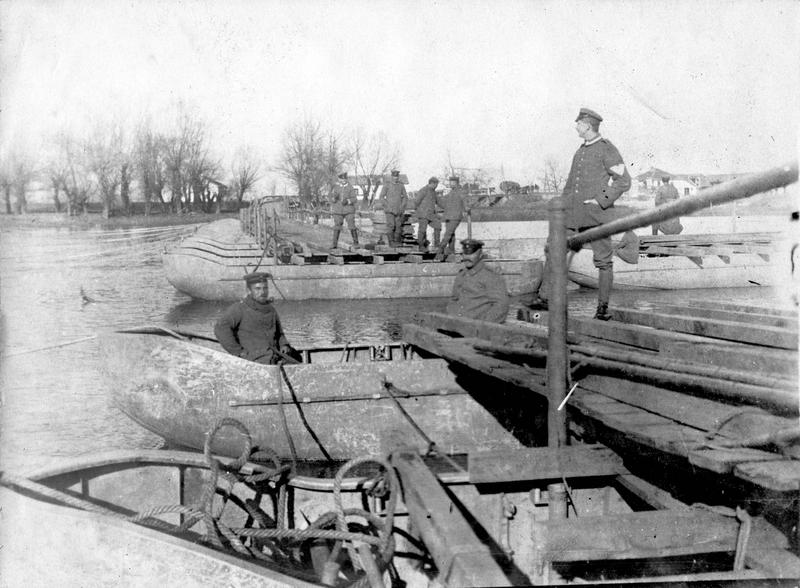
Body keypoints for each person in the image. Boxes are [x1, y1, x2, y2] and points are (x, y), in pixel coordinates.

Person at [528, 107, 631, 320]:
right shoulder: (581, 150)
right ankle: (546, 298)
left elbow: (623, 181)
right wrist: (562, 206)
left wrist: (601, 199)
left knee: (603, 261)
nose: (576, 126)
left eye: (578, 123)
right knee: (554, 249)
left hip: (596, 216)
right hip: (572, 215)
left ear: (587, 125)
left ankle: (602, 309)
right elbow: (570, 185)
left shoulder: (606, 148)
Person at [214, 272, 294, 364]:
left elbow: (279, 334)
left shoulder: (271, 310)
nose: (263, 292)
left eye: (265, 288)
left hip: (275, 357)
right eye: (257, 289)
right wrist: (239, 352)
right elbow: (220, 328)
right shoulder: (239, 308)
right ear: (249, 290)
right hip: (254, 360)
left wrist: (283, 344)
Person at [446, 239, 510, 323]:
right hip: (457, 326)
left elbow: (501, 306)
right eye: (465, 254)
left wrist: (482, 325)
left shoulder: (491, 276)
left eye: (471, 254)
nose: (467, 257)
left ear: (480, 255)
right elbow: (454, 300)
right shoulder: (461, 275)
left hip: (478, 330)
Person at [435, 176, 467, 261]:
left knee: (448, 234)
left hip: (455, 217)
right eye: (450, 182)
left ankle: (439, 252)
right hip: (448, 217)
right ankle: (451, 251)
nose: (451, 184)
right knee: (451, 234)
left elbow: (465, 203)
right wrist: (436, 199)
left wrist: (466, 209)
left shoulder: (461, 192)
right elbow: (444, 205)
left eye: (453, 182)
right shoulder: (450, 193)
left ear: (457, 183)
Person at [378, 169, 408, 246]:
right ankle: (391, 242)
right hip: (389, 210)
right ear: (391, 176)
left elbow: (405, 197)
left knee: (398, 225)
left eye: (397, 176)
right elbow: (381, 197)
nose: (395, 178)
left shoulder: (401, 185)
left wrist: (402, 207)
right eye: (394, 176)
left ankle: (397, 241)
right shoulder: (387, 185)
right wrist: (388, 207)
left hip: (398, 210)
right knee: (391, 225)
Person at [330, 171, 358, 249]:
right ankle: (334, 244)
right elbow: (331, 198)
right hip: (338, 210)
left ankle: (356, 243)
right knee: (337, 226)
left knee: (352, 225)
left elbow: (354, 199)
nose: (343, 181)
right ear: (339, 179)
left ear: (346, 179)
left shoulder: (350, 187)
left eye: (345, 179)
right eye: (341, 179)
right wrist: (333, 198)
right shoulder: (336, 187)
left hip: (349, 210)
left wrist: (348, 201)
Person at [414, 176, 442, 251]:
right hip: (423, 214)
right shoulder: (423, 190)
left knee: (438, 225)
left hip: (431, 215)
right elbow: (416, 201)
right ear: (431, 183)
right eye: (436, 185)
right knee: (422, 230)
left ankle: (437, 245)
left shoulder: (434, 192)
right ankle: (421, 246)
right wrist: (419, 211)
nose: (436, 186)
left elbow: (439, 202)